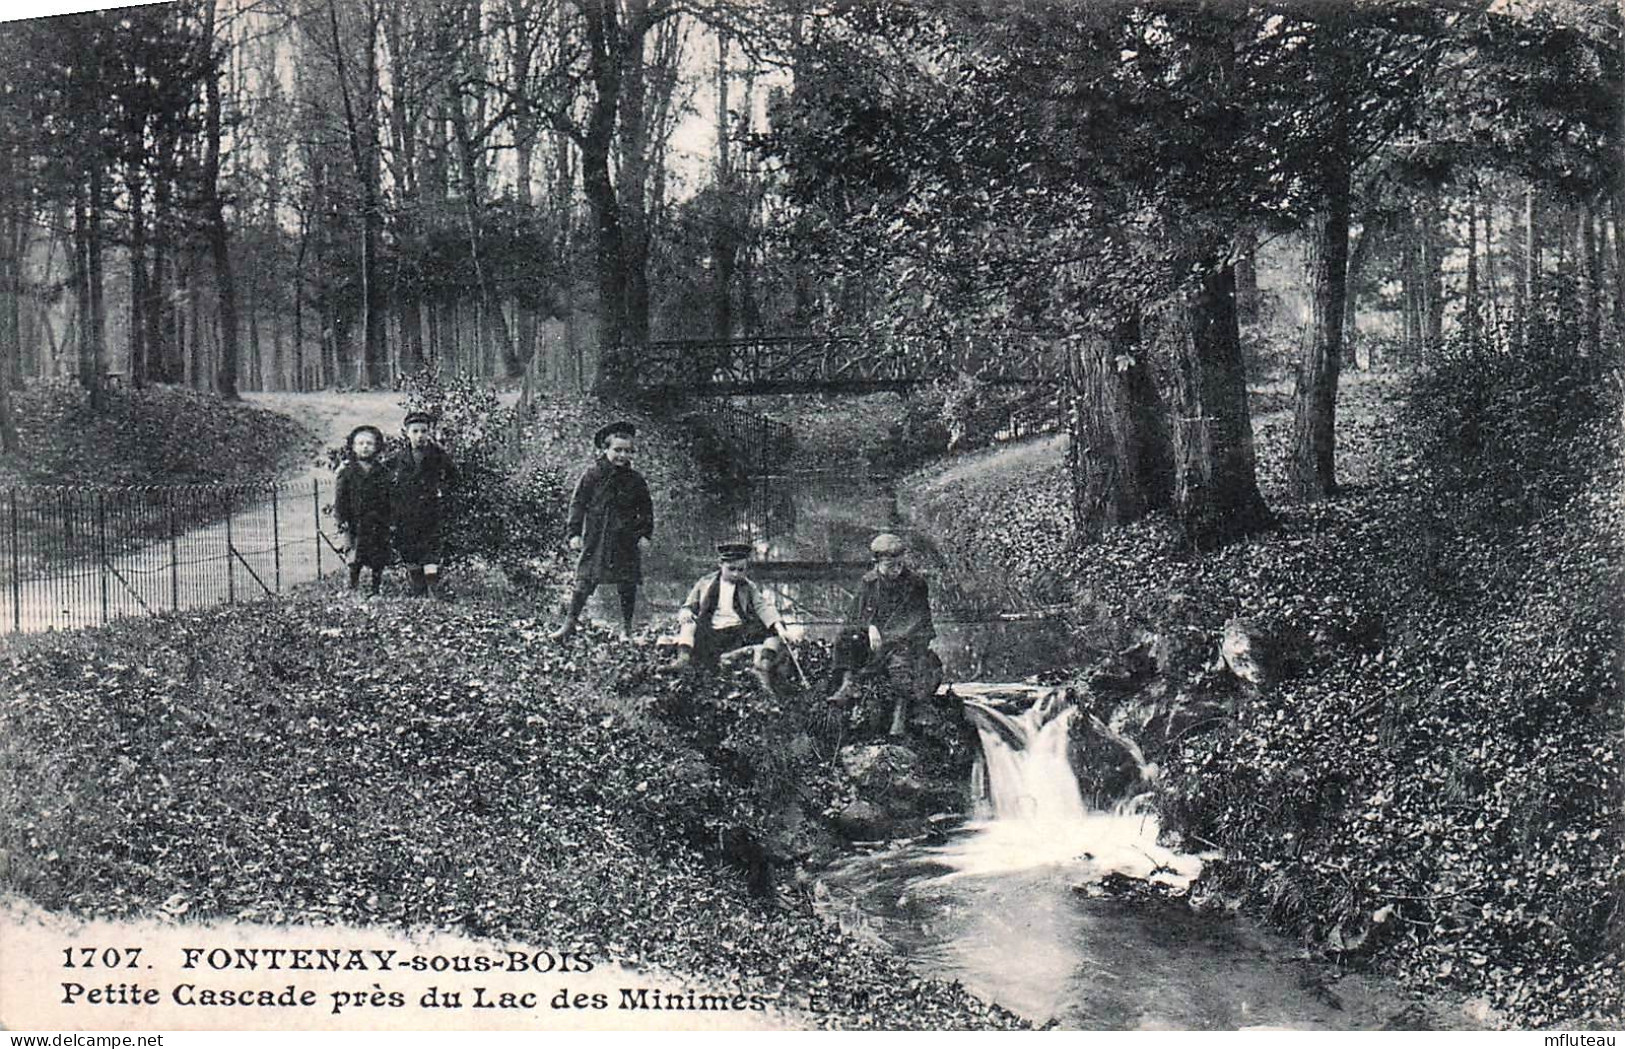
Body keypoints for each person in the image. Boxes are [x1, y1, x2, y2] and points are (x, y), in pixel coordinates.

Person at [828, 532, 942, 736]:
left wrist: (888, 637)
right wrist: (869, 627)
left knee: (900, 665)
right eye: (890, 566)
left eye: (899, 564)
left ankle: (900, 715)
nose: (896, 570)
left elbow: (917, 620)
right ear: (877, 563)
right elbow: (853, 616)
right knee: (846, 638)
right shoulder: (869, 583)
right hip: (875, 637)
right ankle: (848, 684)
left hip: (907, 637)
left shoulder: (915, 584)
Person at [550, 420, 653, 641]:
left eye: (627, 451)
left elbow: (646, 509)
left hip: (626, 539)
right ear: (605, 449)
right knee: (584, 580)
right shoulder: (592, 475)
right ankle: (569, 624)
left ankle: (626, 629)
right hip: (597, 538)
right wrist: (574, 533)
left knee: (627, 584)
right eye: (617, 450)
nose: (622, 455)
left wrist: (644, 534)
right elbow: (577, 504)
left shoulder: (636, 480)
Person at [663, 541, 792, 691]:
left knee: (773, 633)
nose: (736, 574)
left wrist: (778, 625)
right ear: (720, 564)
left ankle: (764, 664)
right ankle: (683, 659)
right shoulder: (705, 583)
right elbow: (690, 604)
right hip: (712, 631)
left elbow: (763, 606)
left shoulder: (747, 586)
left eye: (741, 569)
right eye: (731, 569)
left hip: (738, 631)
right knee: (689, 624)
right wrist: (686, 612)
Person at [391, 410, 458, 599]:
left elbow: (454, 477)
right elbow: (383, 475)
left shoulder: (438, 455)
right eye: (415, 431)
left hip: (431, 510)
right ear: (406, 433)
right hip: (407, 512)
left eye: (423, 431)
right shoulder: (400, 457)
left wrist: (442, 491)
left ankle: (433, 589)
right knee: (409, 548)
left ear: (429, 432)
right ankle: (417, 587)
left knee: (431, 550)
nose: (420, 436)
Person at [333, 424, 392, 595]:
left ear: (377, 446)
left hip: (377, 521)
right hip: (354, 521)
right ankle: (353, 586)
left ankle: (376, 588)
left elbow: (388, 497)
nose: (365, 447)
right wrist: (340, 519)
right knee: (354, 555)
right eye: (360, 443)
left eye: (369, 443)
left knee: (378, 555)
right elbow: (340, 498)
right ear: (353, 446)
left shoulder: (382, 471)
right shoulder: (347, 471)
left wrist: (390, 519)